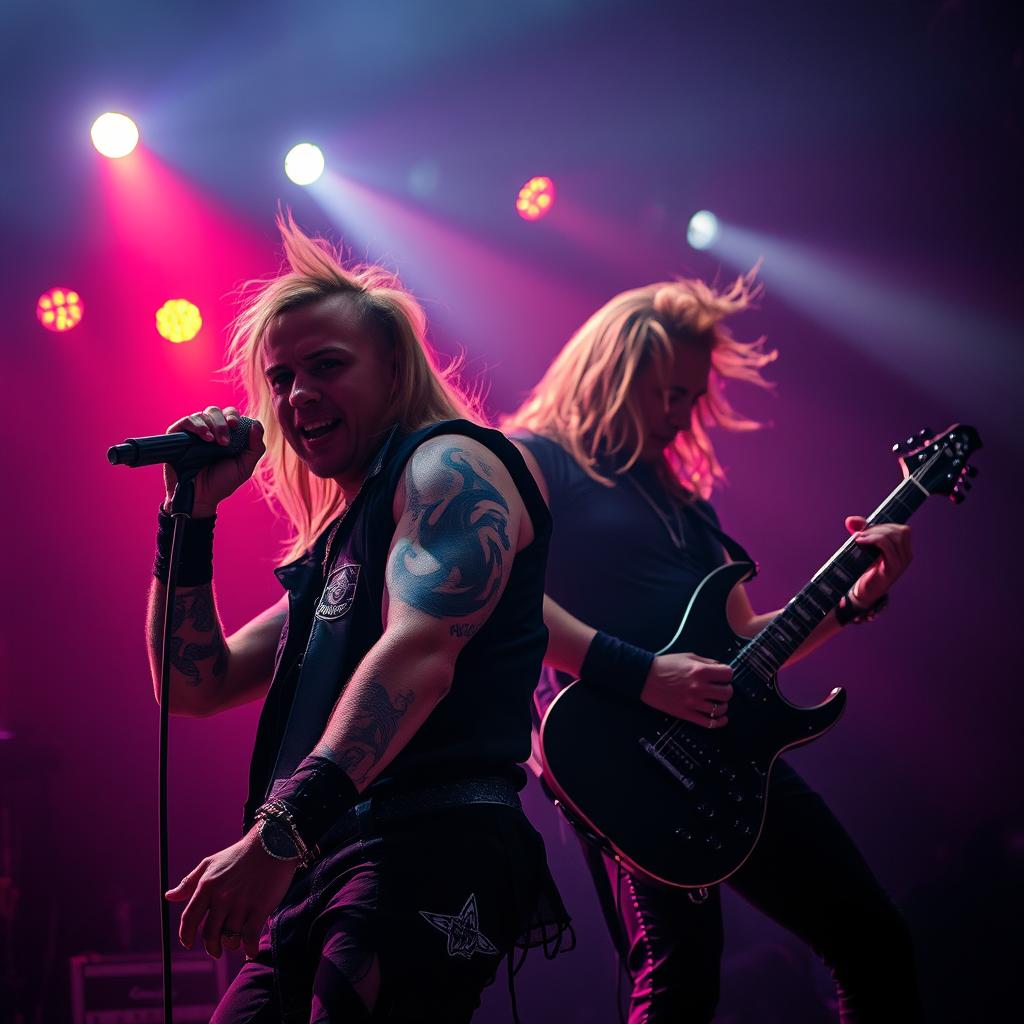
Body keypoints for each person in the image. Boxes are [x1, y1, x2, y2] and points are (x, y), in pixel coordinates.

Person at [145, 215, 569, 1023]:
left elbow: (418, 656)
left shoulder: (449, 465)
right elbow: (193, 684)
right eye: (280, 379)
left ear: (393, 370)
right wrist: (187, 517)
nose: (297, 396)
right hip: (323, 859)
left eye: (326, 367)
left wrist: (277, 835)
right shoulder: (344, 540)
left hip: (425, 847)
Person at [503, 274, 923, 1022]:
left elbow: (748, 647)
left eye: (691, 397)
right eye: (665, 393)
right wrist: (644, 677)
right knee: (682, 978)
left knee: (874, 941)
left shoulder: (687, 501)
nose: (680, 413)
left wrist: (856, 601)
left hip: (725, 754)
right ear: (611, 374)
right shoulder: (535, 458)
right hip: (616, 755)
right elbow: (498, 591)